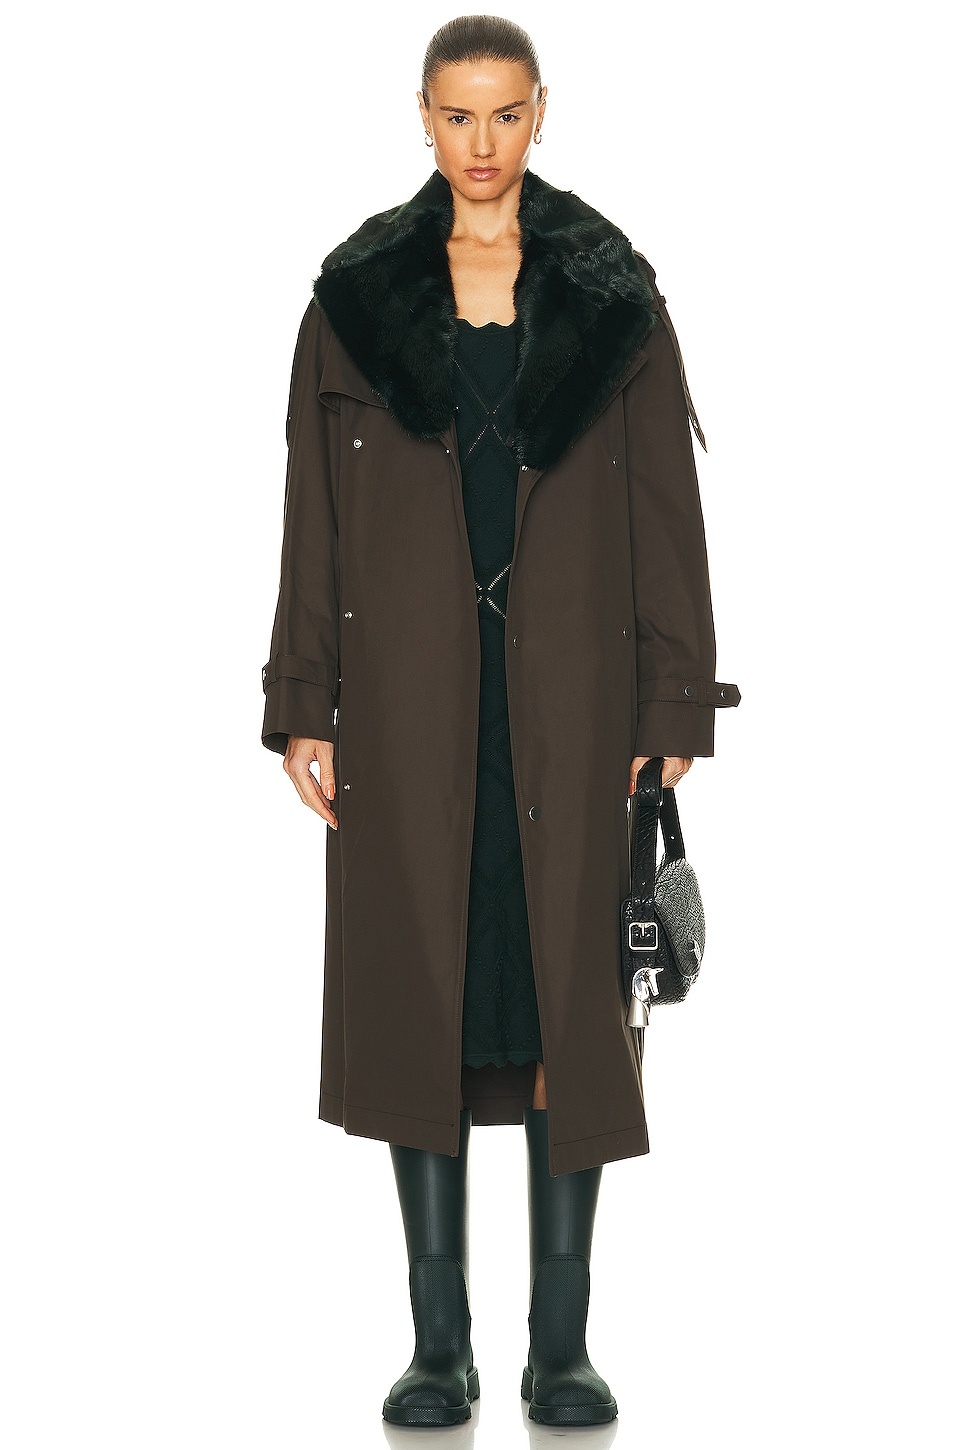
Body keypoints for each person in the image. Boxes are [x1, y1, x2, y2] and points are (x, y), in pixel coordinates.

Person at [260, 14, 740, 1429]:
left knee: (564, 1003)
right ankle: (439, 1346)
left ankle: (561, 1346)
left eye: (507, 114)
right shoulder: (355, 297)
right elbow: (311, 518)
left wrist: (672, 696)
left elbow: (669, 515)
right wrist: (304, 702)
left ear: (542, 113)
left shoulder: (612, 297)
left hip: (576, 702)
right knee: (425, 999)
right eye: (458, 115)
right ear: (422, 116)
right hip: (406, 704)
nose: (482, 143)